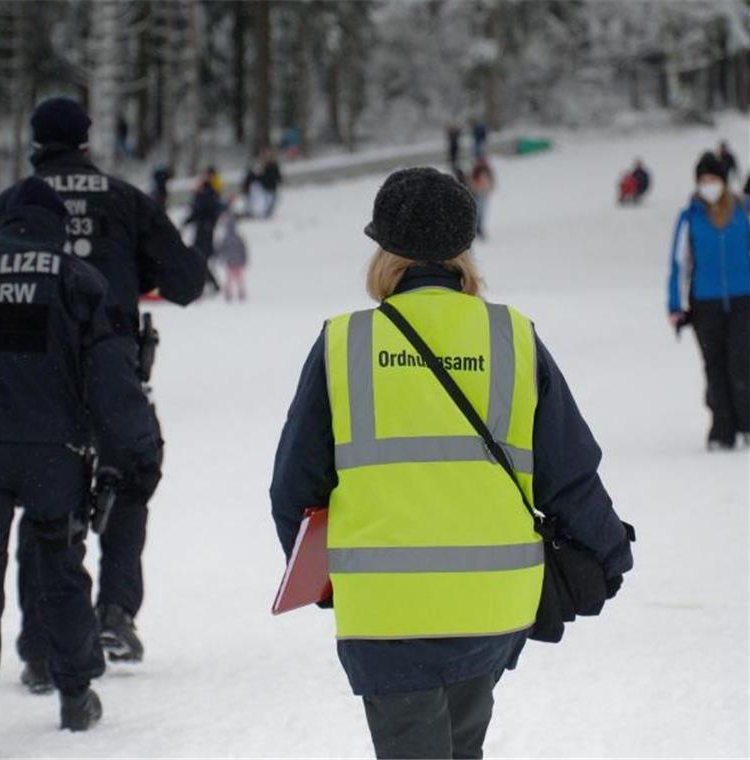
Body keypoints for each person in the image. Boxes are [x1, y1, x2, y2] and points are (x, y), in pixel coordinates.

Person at [270, 167, 634, 760]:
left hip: (388, 613)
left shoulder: (344, 342)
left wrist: (331, 582)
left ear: (385, 252)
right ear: (464, 252)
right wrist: (611, 553)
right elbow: (570, 472)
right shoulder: (512, 336)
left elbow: (293, 488)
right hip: (493, 604)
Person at [0, 178, 162, 756]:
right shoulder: (77, 281)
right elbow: (111, 379)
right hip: (55, 455)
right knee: (60, 570)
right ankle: (74, 695)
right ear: (57, 229)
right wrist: (135, 451)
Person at [0, 97, 205, 686]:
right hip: (112, 366)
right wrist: (134, 270)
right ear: (86, 140)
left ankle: (43, 639)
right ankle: (115, 615)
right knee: (130, 476)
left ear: (33, 142)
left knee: (43, 499)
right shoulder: (124, 199)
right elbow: (186, 281)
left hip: (31, 379)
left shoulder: (10, 205)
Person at [667, 152, 750, 450]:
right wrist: (675, 306)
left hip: (745, 300)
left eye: (713, 179)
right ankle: (722, 430)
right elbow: (679, 264)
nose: (708, 185)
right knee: (714, 368)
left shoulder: (744, 210)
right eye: (703, 180)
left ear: (724, 181)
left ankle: (749, 423)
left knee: (742, 364)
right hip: (706, 305)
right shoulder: (690, 217)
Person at [184, 170, 225, 293]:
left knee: (199, 260)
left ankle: (208, 285)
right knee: (200, 260)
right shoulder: (204, 195)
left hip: (205, 232)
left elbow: (200, 212)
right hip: (203, 231)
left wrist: (188, 221)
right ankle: (209, 284)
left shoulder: (208, 195)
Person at [216, 201, 248, 302]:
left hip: (231, 261)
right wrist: (244, 259)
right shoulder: (238, 238)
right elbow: (243, 250)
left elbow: (221, 249)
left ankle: (232, 293)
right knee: (236, 278)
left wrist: (219, 255)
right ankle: (238, 292)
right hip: (235, 262)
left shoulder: (228, 238)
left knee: (231, 278)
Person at [470, 157, 495, 240]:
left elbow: (492, 181)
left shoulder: (487, 171)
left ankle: (480, 228)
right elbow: (472, 183)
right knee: (478, 211)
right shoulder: (476, 171)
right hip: (478, 194)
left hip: (485, 194)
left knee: (483, 212)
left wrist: (490, 188)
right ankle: (477, 228)